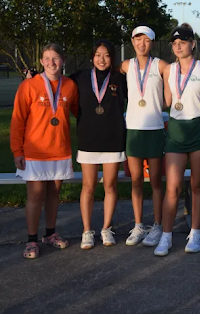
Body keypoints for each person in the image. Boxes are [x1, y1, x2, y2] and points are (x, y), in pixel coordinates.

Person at [10, 43, 78, 259]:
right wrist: (16, 151)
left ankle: (50, 233)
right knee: (35, 194)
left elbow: (80, 113)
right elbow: (17, 120)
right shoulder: (29, 86)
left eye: (56, 58)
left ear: (63, 60)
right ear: (41, 61)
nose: (51, 62)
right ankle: (31, 240)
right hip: (34, 151)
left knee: (53, 193)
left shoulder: (69, 86)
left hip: (60, 149)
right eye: (47, 58)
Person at [155, 24, 200, 256]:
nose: (179, 45)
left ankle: (196, 232)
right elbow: (168, 102)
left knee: (198, 184)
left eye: (183, 41)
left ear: (193, 44)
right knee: (172, 187)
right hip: (177, 130)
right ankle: (166, 236)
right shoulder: (168, 70)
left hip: (199, 128)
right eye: (175, 43)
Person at [70, 39, 127, 249]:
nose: (101, 59)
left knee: (110, 186)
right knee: (88, 186)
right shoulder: (80, 77)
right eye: (98, 55)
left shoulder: (120, 78)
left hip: (113, 140)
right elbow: (57, 83)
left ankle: (106, 229)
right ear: (92, 57)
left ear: (112, 58)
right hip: (88, 140)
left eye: (106, 55)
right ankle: (87, 231)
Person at [120, 25, 168, 247]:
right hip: (133, 130)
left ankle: (157, 225)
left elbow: (183, 76)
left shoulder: (161, 65)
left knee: (157, 181)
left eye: (146, 40)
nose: (142, 44)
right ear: (132, 42)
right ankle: (139, 225)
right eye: (138, 40)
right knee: (137, 180)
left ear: (152, 43)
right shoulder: (125, 65)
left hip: (155, 129)